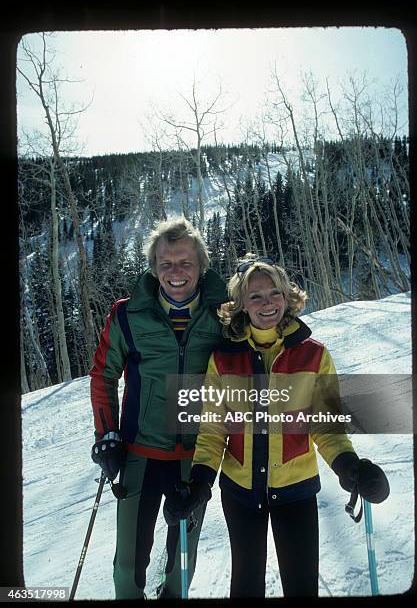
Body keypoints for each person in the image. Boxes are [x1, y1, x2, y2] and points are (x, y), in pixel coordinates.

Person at [163, 254, 390, 598]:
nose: (267, 303)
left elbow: (326, 427)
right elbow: (213, 431)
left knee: (301, 588)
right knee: (245, 587)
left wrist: (350, 467)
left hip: (295, 490)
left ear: (287, 296)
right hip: (240, 493)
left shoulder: (314, 356)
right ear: (241, 304)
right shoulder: (223, 360)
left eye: (274, 293)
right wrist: (199, 484)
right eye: (255, 296)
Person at [89, 216, 227, 599]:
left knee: (181, 564)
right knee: (128, 568)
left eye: (185, 262)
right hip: (139, 454)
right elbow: (103, 375)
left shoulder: (224, 317)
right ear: (153, 268)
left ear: (201, 266)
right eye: (166, 263)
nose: (176, 272)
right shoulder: (127, 315)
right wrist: (108, 435)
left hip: (195, 458)